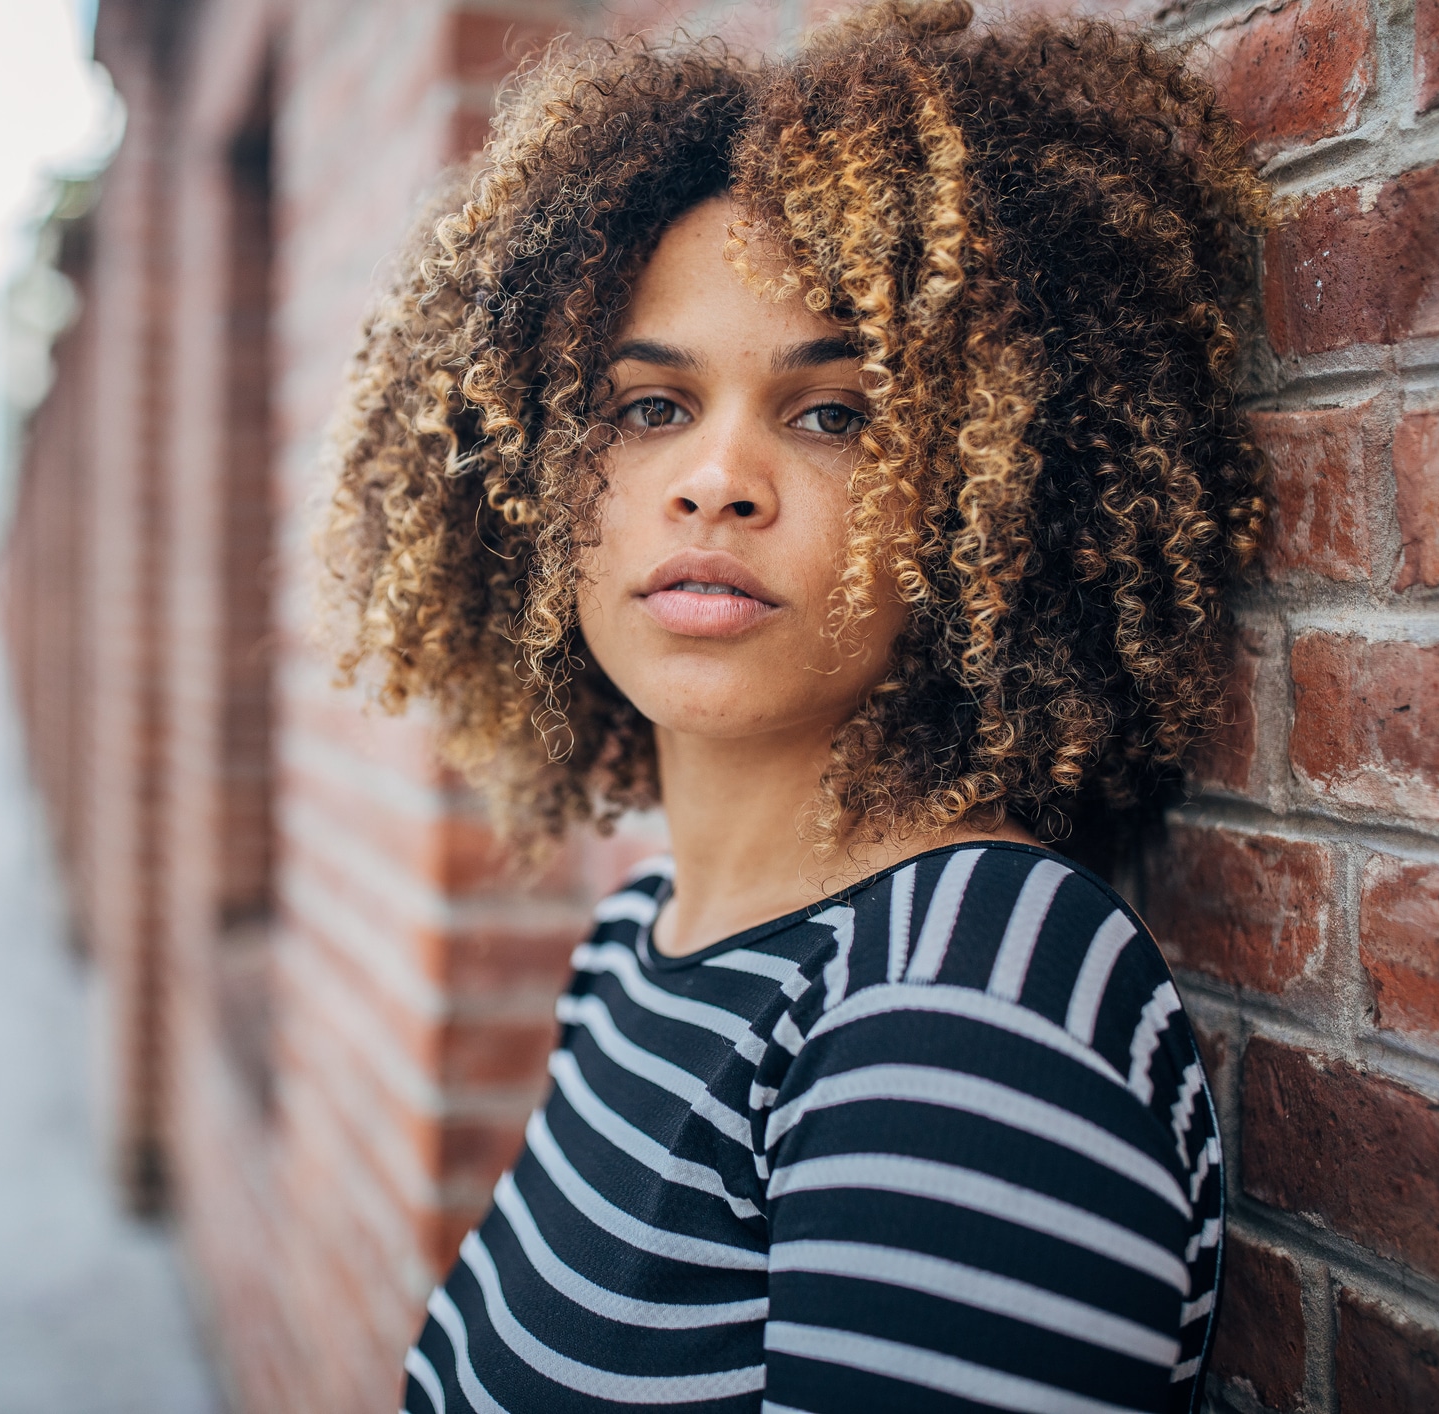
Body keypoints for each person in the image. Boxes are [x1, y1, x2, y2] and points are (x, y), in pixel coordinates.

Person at [320, 4, 1269, 1410]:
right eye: (648, 407)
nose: (716, 479)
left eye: (833, 413)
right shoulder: (642, 942)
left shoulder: (963, 1001)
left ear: (988, 493)